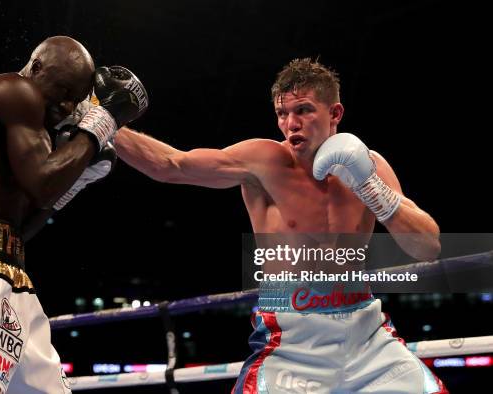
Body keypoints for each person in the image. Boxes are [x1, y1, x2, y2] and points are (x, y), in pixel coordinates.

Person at [113, 58, 447, 393]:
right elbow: (172, 164)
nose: (291, 123)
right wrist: (103, 122)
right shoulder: (264, 162)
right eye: (282, 113)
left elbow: (428, 246)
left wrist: (370, 186)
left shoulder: (369, 165)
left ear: (335, 114)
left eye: (303, 110)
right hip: (290, 341)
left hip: (366, 335)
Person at [0, 36, 148, 393]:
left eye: (77, 97)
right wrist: (102, 123)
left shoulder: (36, 130)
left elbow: (22, 224)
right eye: (64, 89)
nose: (68, 104)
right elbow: (43, 184)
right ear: (37, 67)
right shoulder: (14, 91)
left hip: (9, 272)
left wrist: (75, 183)